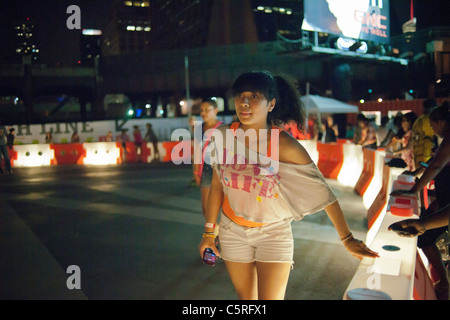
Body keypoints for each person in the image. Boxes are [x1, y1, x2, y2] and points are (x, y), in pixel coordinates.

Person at [198, 71, 378, 300]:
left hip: (273, 234)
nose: (244, 103)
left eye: (254, 96)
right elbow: (217, 184)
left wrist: (348, 239)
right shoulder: (222, 136)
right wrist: (208, 232)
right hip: (232, 232)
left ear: (271, 103)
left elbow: (323, 193)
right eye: (240, 96)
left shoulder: (284, 145)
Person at [391, 105, 450, 299]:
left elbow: (436, 165)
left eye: (433, 126)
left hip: (445, 201)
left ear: (441, 122)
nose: (433, 130)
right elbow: (432, 162)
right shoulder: (443, 141)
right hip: (443, 199)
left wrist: (415, 189)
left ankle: (443, 283)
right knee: (425, 233)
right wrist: (416, 176)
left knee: (424, 237)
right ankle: (443, 280)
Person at [193, 99, 223, 218]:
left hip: (222, 169)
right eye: (201, 110)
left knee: (224, 206)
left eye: (207, 110)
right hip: (206, 169)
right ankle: (214, 232)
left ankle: (222, 233)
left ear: (215, 111)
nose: (203, 113)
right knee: (206, 208)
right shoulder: (199, 129)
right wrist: (195, 171)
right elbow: (197, 151)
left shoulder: (224, 128)